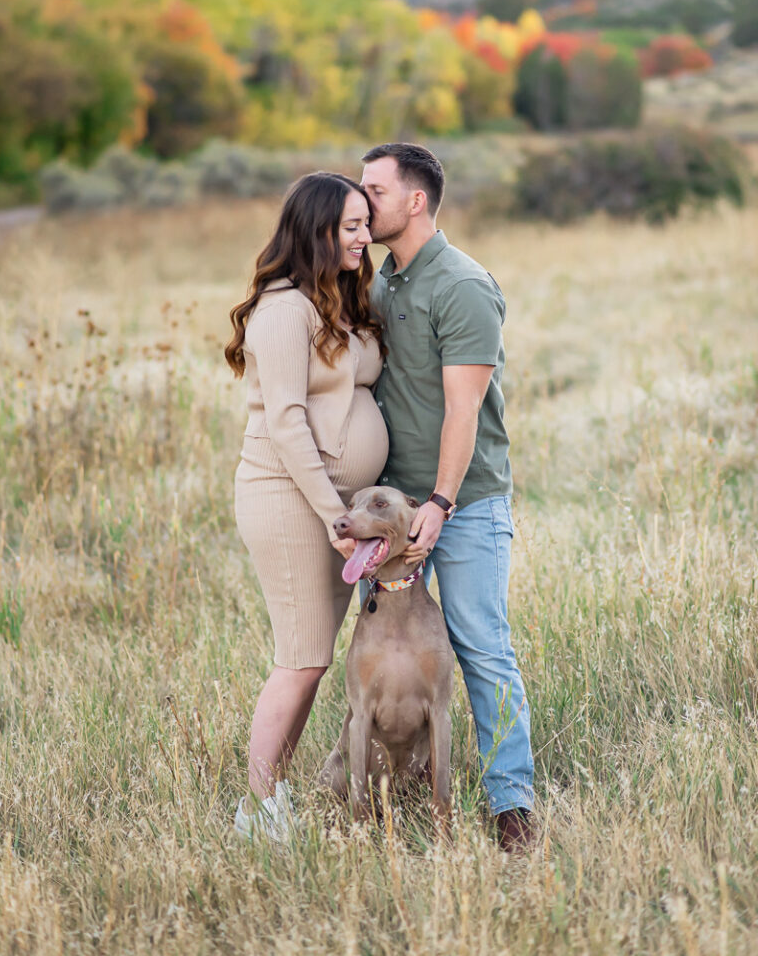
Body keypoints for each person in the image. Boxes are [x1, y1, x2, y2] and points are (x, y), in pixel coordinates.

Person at [360, 142, 535, 849]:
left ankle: (511, 806)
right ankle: (386, 791)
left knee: (480, 644)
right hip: (391, 511)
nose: (361, 200)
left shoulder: (460, 284)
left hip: (459, 502)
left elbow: (464, 411)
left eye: (374, 189)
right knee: (384, 650)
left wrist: (440, 500)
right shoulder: (383, 282)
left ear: (416, 200)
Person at [224, 171, 388, 841]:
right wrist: (333, 514)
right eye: (351, 225)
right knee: (300, 657)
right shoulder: (284, 309)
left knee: (313, 656)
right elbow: (289, 422)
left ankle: (274, 796)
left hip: (336, 506)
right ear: (316, 229)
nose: (363, 236)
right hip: (291, 499)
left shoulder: (341, 298)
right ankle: (259, 810)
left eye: (364, 223)